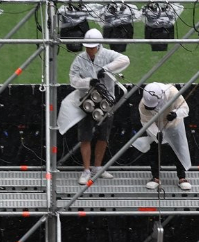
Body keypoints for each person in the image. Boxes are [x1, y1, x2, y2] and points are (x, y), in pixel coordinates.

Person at [69, 28, 130, 185]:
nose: (89, 49)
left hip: (106, 101)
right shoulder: (79, 59)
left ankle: (97, 167)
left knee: (103, 136)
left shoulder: (108, 55)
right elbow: (73, 79)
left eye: (92, 47)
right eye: (87, 47)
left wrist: (106, 69)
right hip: (86, 101)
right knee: (85, 136)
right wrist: (89, 81)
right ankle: (86, 170)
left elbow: (125, 60)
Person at [136, 82, 192, 191]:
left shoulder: (173, 93)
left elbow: (185, 109)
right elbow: (146, 122)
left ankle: (182, 177)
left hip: (174, 125)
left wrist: (176, 113)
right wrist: (156, 133)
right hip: (156, 126)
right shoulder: (143, 105)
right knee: (154, 150)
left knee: (179, 148)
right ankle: (155, 177)